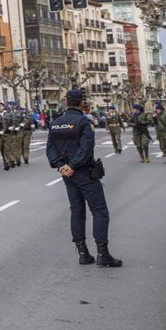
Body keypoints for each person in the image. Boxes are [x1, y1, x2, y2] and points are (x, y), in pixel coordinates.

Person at [46, 89, 121, 268]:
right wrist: (73, 165)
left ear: (66, 102)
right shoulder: (83, 122)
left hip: (67, 174)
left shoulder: (56, 123)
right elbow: (86, 148)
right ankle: (103, 254)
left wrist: (61, 166)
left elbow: (50, 148)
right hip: (83, 172)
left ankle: (83, 253)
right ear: (82, 102)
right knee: (100, 211)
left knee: (77, 210)